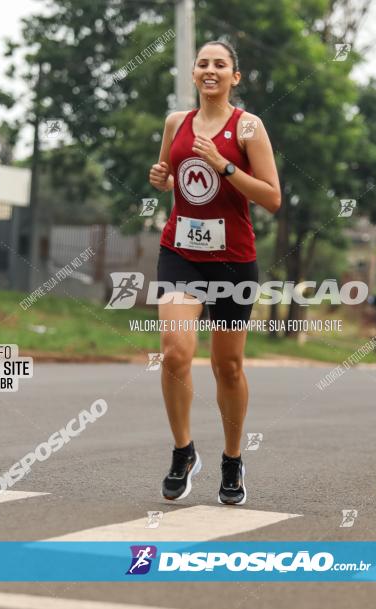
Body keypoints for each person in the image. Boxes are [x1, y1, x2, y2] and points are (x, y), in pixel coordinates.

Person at [147, 40, 281, 505]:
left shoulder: (248, 127)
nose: (210, 70)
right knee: (175, 353)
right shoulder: (175, 123)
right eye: (203, 63)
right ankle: (183, 451)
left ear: (234, 77)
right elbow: (170, 176)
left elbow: (271, 197)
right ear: (193, 73)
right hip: (180, 253)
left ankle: (232, 458)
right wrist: (161, 178)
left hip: (232, 260)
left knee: (227, 367)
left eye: (220, 65)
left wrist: (223, 165)